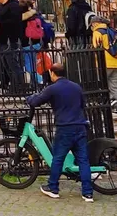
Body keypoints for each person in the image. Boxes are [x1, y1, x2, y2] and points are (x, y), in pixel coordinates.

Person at [27, 62, 94, 202]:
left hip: (64, 128)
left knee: (57, 158)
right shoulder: (76, 87)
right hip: (80, 126)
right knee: (83, 160)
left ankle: (53, 188)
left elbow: (36, 101)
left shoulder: (52, 89)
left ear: (52, 73)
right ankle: (88, 193)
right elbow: (83, 104)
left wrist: (29, 98)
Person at [90, 14, 117, 113]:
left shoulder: (97, 32)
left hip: (105, 63)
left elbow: (96, 48)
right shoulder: (113, 31)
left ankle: (108, 104)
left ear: (95, 23)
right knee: (115, 86)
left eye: (92, 24)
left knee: (103, 86)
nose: (91, 26)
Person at [0, 0, 26, 92]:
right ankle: (14, 85)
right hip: (2, 40)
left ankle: (19, 86)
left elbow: (15, 22)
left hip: (11, 40)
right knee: (6, 64)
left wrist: (0, 23)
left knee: (12, 63)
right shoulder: (0, 6)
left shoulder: (13, 6)